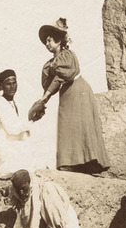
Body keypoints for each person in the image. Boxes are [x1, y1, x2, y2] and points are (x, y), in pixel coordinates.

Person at [28, 18, 110, 173]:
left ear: (59, 40)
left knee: (80, 125)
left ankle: (88, 161)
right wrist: (43, 100)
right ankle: (71, 161)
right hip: (67, 92)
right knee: (67, 125)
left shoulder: (67, 56)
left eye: (50, 40)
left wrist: (45, 97)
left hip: (78, 91)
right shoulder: (52, 63)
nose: (47, 43)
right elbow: (51, 82)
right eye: (45, 41)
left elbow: (60, 78)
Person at [0, 68, 35, 178]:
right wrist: (31, 118)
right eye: (8, 84)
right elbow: (12, 129)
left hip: (15, 150)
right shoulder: (0, 103)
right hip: (6, 156)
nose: (12, 87)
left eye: (14, 83)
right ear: (2, 86)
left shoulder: (12, 102)